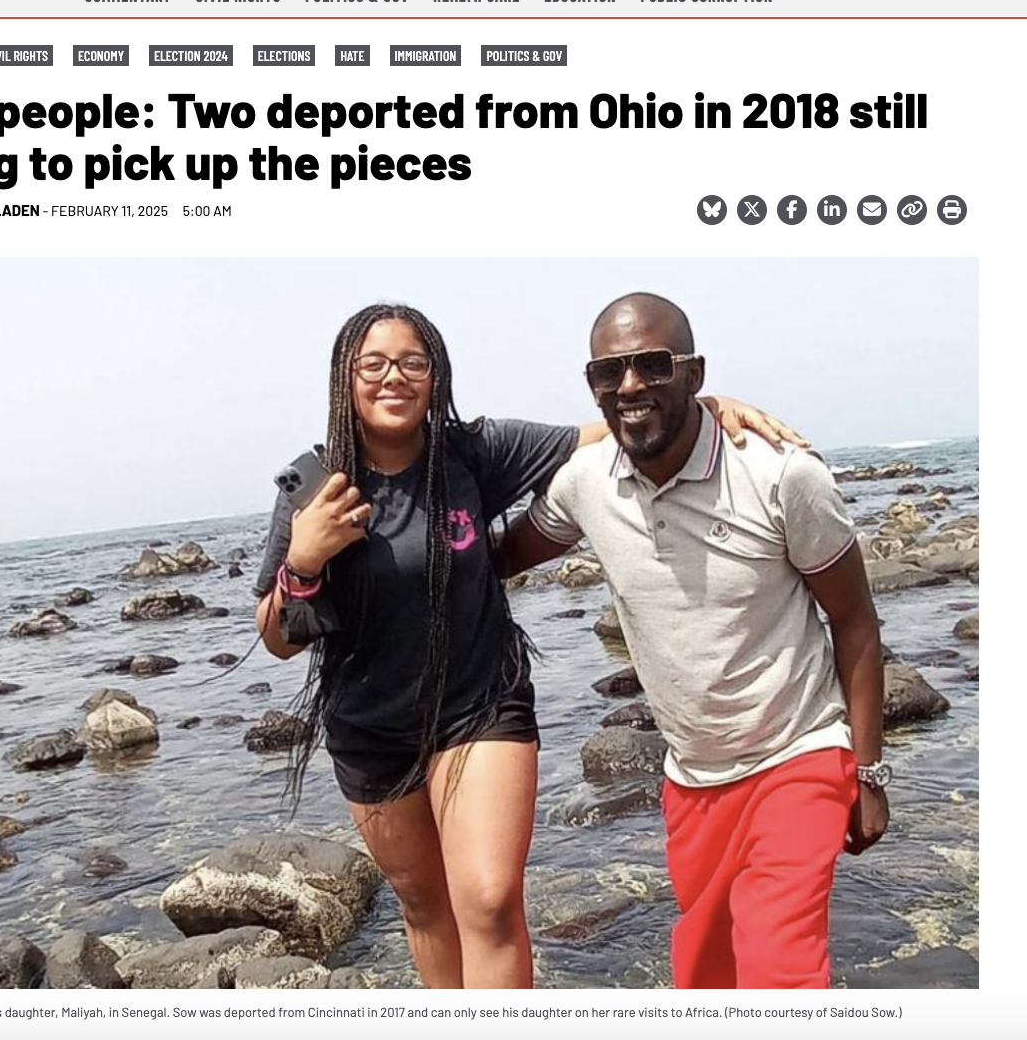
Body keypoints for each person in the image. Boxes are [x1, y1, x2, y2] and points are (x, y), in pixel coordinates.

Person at [253, 302, 804, 990]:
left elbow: (604, 433)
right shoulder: (315, 485)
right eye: (374, 364)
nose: (394, 376)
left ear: (435, 375)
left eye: (412, 362)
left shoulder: (473, 452)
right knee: (426, 906)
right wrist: (303, 561)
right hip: (368, 729)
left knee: (485, 899)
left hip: (480, 706)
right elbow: (276, 638)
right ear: (346, 377)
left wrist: (701, 404)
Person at [496, 292, 887, 990]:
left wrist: (868, 773)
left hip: (797, 755)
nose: (630, 386)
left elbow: (855, 621)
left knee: (780, 969)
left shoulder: (781, 473)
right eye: (608, 373)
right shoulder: (585, 483)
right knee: (706, 978)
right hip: (693, 780)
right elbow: (493, 561)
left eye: (652, 365)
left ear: (694, 372)